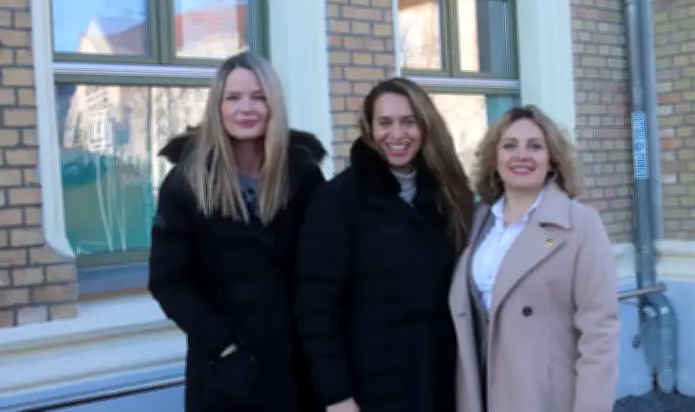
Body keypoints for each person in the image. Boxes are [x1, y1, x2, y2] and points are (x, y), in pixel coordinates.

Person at [148, 51, 326, 412]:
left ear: (273, 104)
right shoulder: (187, 183)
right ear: (218, 105)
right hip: (224, 374)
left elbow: (323, 269)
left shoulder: (303, 177)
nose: (246, 108)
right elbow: (168, 281)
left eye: (259, 97)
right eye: (234, 98)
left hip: (298, 369)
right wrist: (225, 345)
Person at [293, 77, 474, 412]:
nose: (397, 134)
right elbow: (315, 309)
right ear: (369, 128)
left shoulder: (449, 196)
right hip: (368, 392)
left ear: (425, 125)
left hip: (441, 386)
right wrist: (337, 397)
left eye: (408, 122)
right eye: (385, 123)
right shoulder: (337, 201)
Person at [449, 105, 620, 412]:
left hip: (544, 397)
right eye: (510, 145)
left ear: (551, 157)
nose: (522, 155)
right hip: (480, 392)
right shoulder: (477, 222)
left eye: (535, 146)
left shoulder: (580, 225)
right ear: (494, 158)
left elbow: (599, 333)